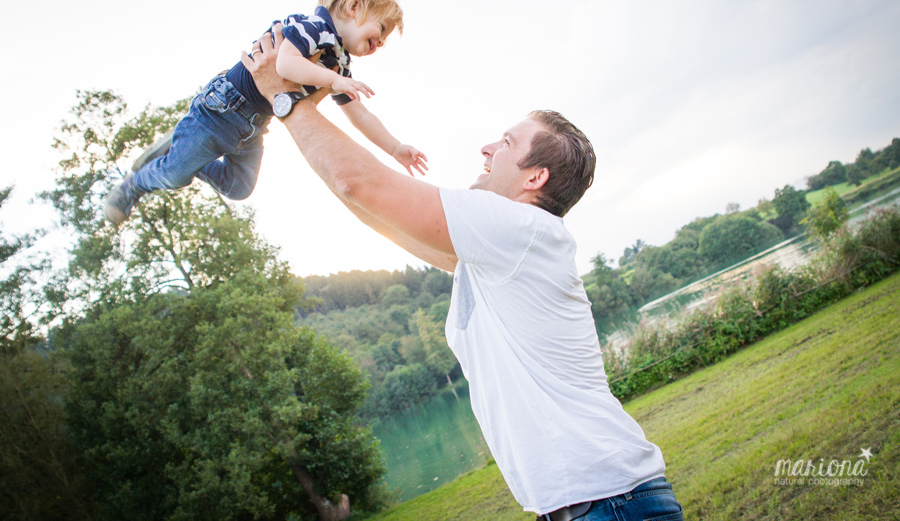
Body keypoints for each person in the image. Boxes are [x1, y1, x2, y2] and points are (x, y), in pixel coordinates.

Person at [244, 28, 684, 521]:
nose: (486, 148)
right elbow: (370, 207)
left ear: (534, 178)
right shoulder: (500, 253)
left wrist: (283, 99)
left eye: (507, 142)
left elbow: (359, 184)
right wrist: (298, 111)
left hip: (609, 504)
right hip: (594, 503)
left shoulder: (522, 228)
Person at [103, 0, 426, 225]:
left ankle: (183, 152)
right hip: (221, 111)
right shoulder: (313, 28)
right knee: (174, 176)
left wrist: (395, 148)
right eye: (379, 29)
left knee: (238, 188)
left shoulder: (339, 62)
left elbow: (360, 114)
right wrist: (334, 80)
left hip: (253, 126)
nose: (379, 42)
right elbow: (285, 64)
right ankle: (134, 185)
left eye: (383, 41)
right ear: (353, 6)